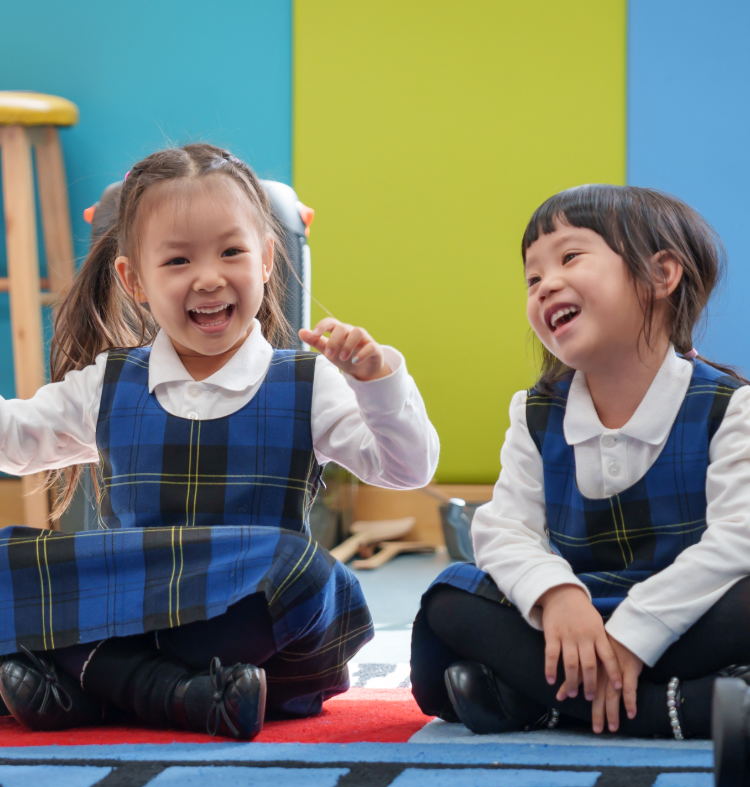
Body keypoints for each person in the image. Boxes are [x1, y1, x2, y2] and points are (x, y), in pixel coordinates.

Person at [0, 143, 439, 740]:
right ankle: (176, 695)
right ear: (134, 281)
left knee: (300, 567)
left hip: (262, 638)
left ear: (266, 259)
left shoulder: (308, 382)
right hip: (143, 614)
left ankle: (96, 683)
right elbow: (15, 439)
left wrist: (378, 383)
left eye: (231, 252)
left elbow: (408, 469)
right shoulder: (108, 384)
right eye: (178, 260)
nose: (208, 277)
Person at [412, 184, 750, 739]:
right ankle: (688, 707)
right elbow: (503, 531)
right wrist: (557, 596)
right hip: (574, 628)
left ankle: (537, 703)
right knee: (450, 599)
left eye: (570, 256)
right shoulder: (535, 414)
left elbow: (738, 540)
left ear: (661, 274)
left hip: (688, 615)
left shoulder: (728, 407)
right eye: (532, 278)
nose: (545, 284)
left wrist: (638, 632)